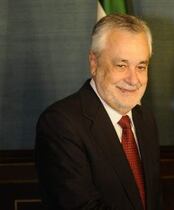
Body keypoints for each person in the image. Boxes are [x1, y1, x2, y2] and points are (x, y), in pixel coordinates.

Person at [35, 14, 160, 210]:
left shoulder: (145, 120)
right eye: (121, 65)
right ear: (94, 63)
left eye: (141, 67)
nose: (133, 79)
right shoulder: (61, 124)